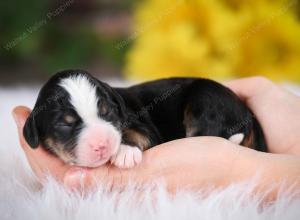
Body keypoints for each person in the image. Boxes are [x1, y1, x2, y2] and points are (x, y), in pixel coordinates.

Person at [12, 77, 300, 198]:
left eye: (105, 114)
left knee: (206, 98)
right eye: (67, 127)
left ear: (114, 104)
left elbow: (145, 135)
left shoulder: (128, 115)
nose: (100, 139)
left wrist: (129, 143)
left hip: (206, 101)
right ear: (36, 131)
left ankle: (225, 141)